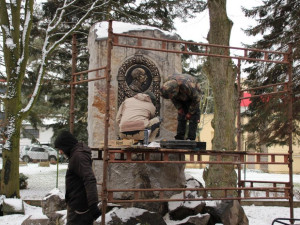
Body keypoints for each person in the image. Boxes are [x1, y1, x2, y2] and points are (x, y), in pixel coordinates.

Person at [54, 130, 101, 225]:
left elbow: (89, 179)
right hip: (78, 204)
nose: (60, 152)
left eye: (60, 148)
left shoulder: (79, 156)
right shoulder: (77, 154)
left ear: (66, 145)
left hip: (80, 208)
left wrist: (93, 205)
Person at [161, 74, 201, 141]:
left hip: (193, 96)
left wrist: (190, 113)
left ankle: (191, 138)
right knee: (181, 115)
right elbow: (172, 97)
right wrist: (179, 108)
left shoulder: (189, 86)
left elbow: (196, 100)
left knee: (193, 117)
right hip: (180, 93)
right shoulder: (167, 84)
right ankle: (179, 137)